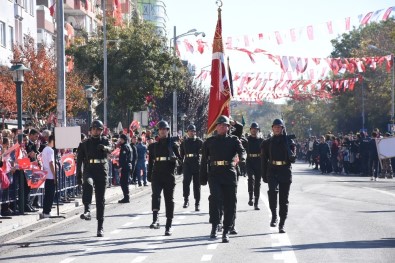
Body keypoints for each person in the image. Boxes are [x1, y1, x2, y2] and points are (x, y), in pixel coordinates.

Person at [200, 115, 246, 243]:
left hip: (229, 173)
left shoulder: (234, 140)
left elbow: (242, 151)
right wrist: (202, 177)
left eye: (224, 125)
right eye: (219, 125)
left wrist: (243, 158)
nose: (221, 127)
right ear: (216, 127)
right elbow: (203, 161)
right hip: (214, 173)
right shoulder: (209, 142)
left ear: (228, 127)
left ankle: (226, 230)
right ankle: (215, 226)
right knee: (215, 199)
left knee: (230, 202)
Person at [76, 120, 112, 237]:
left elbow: (111, 148)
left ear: (102, 131)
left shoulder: (104, 140)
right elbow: (79, 161)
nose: (96, 131)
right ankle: (87, 210)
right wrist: (79, 176)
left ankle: (100, 227)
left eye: (99, 129)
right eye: (94, 129)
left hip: (102, 169)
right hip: (89, 169)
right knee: (88, 183)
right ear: (90, 130)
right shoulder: (84, 144)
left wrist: (105, 148)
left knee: (100, 199)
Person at [261, 119, 296, 234]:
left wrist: (289, 148)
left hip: (285, 170)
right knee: (272, 192)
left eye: (279, 127)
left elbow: (293, 158)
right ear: (272, 128)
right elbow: (263, 160)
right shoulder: (267, 143)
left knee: (283, 199)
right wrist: (264, 174)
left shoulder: (289, 141)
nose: (277, 129)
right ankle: (274, 216)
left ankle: (282, 223)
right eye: (275, 127)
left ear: (282, 128)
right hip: (272, 170)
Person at [147, 120, 182, 236]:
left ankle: (168, 226)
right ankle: (155, 219)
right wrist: (149, 175)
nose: (162, 131)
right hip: (157, 174)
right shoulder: (153, 146)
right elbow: (151, 162)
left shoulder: (173, 145)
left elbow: (181, 160)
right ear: (158, 131)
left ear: (168, 131)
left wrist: (175, 160)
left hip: (168, 174)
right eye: (160, 129)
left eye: (165, 129)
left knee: (169, 200)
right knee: (155, 195)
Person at [180, 124, 203, 211]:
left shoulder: (199, 141)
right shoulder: (184, 142)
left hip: (196, 163)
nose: (191, 132)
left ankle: (197, 203)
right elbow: (181, 155)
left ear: (195, 132)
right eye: (190, 131)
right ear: (187, 132)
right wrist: (180, 165)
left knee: (197, 185)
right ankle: (186, 200)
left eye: (193, 131)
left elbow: (204, 153)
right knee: (186, 182)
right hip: (187, 163)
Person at [243, 122, 264, 210]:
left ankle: (256, 203)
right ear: (250, 130)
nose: (254, 130)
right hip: (249, 161)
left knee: (258, 183)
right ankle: (250, 197)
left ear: (258, 130)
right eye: (252, 129)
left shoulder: (261, 141)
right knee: (251, 179)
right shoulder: (246, 140)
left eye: (255, 129)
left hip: (259, 161)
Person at [41, 135, 56, 218]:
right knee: (50, 195)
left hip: (46, 174)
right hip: (50, 175)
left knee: (47, 194)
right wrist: (54, 175)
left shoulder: (45, 149)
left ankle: (45, 211)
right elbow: (51, 163)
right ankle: (47, 211)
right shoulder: (50, 150)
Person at [118, 134, 134, 203]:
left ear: (123, 139)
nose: (120, 140)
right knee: (124, 182)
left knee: (123, 182)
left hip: (125, 166)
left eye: (121, 139)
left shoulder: (124, 147)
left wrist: (121, 167)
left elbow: (123, 158)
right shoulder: (128, 146)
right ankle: (126, 196)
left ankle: (126, 197)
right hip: (128, 166)